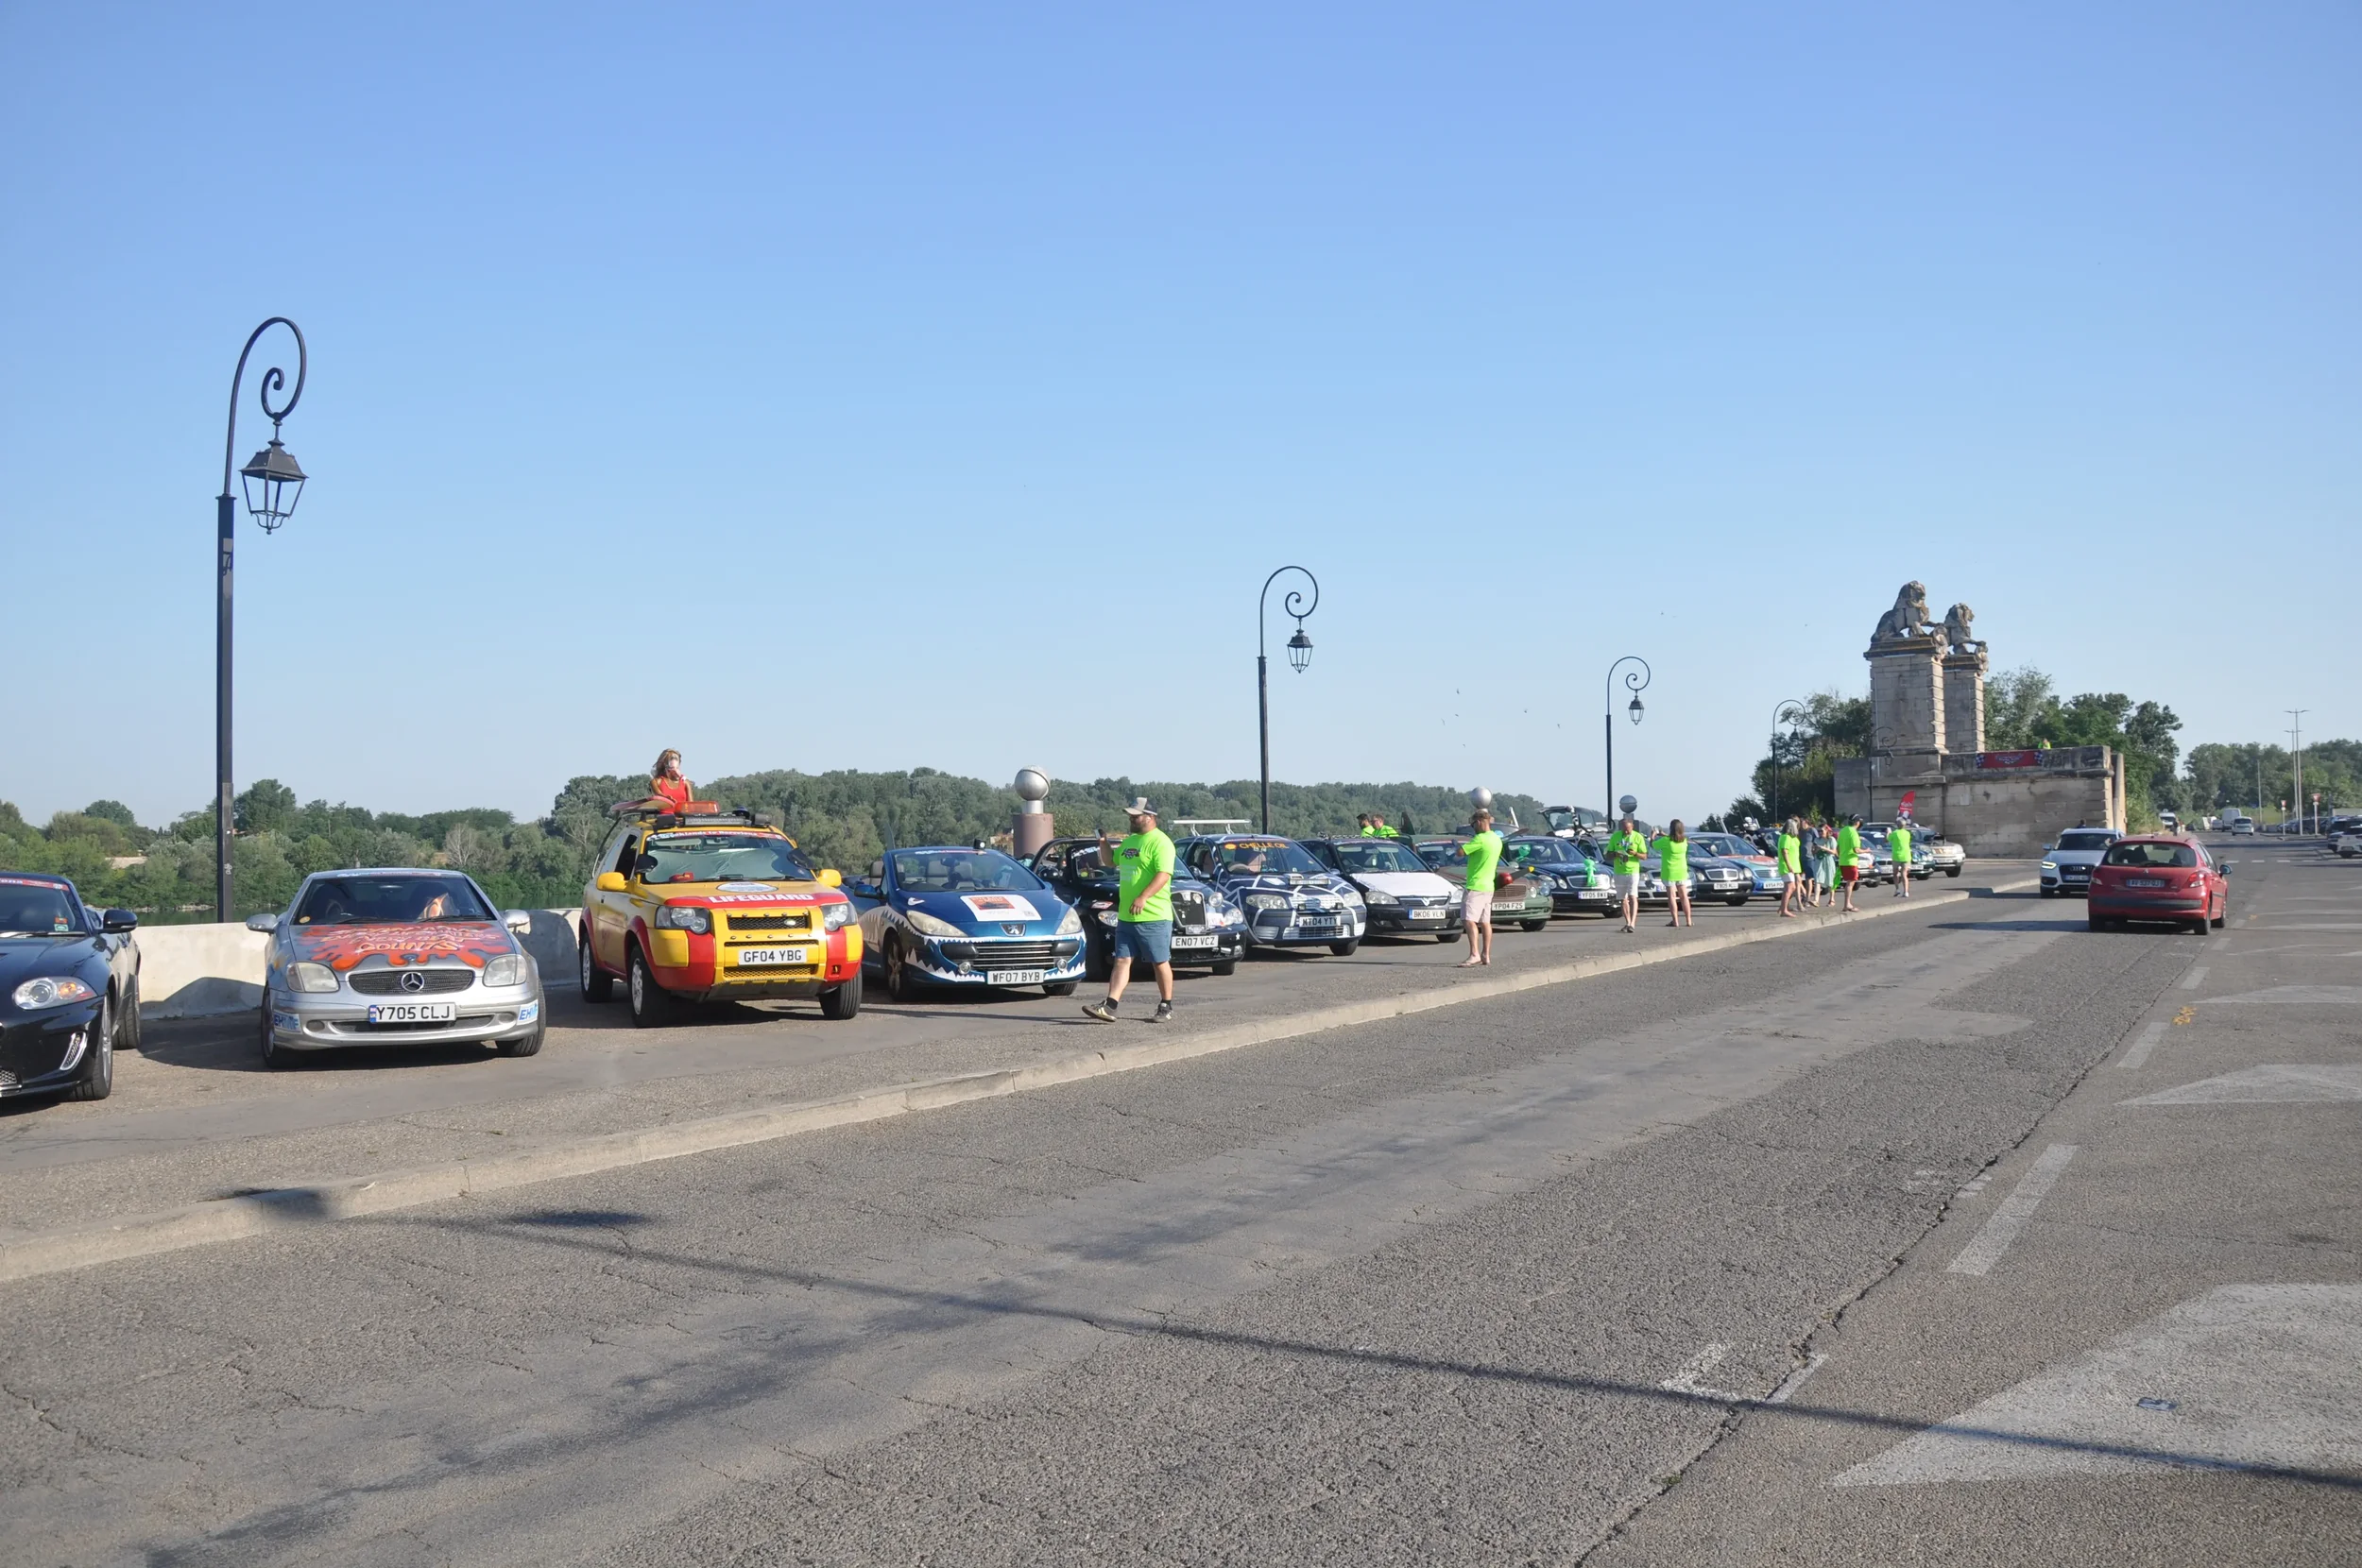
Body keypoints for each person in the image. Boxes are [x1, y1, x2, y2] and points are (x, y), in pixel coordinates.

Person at [1084, 798, 1176, 1024]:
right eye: (1131, 815)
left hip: (1154, 916)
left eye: (1136, 815)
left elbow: (1163, 875)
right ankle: (1110, 1005)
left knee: (1159, 961)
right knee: (1122, 960)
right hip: (1127, 915)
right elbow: (1109, 862)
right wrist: (1103, 842)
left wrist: (1143, 897)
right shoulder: (1130, 842)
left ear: (1150, 817)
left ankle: (1166, 1006)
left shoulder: (1161, 843)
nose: (1132, 819)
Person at [1459, 810, 1506, 965]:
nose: (1473, 828)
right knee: (1485, 921)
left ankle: (1474, 954)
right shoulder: (1496, 839)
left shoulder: (1479, 839)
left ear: (1479, 822)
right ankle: (1486, 954)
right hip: (1489, 886)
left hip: (1475, 885)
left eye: (1473, 825)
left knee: (1468, 919)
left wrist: (1460, 845)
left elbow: (1460, 852)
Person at [1607, 813, 1649, 933]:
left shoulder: (1637, 837)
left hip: (1633, 871)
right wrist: (1616, 854)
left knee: (1632, 896)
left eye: (1628, 829)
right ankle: (1628, 922)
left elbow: (1645, 856)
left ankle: (1633, 923)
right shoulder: (1615, 837)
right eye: (1624, 829)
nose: (1626, 831)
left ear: (1632, 827)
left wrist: (1635, 853)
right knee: (1623, 899)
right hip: (1619, 871)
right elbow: (1608, 854)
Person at [619, 749, 694, 813]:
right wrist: (666, 797)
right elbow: (658, 795)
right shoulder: (656, 781)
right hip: (665, 821)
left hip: (683, 821)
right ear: (664, 765)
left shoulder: (685, 782)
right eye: (671, 766)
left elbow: (691, 805)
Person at [1652, 819, 1694, 929]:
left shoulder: (1666, 841)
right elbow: (1675, 838)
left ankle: (1675, 920)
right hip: (1681, 870)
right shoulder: (1684, 841)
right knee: (1683, 896)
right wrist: (1664, 835)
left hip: (1669, 871)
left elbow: (1654, 845)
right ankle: (1688, 920)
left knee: (1672, 896)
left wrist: (1654, 835)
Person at [1777, 817, 1805, 917]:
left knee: (1788, 887)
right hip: (1786, 866)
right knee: (1791, 887)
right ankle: (1784, 909)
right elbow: (1784, 851)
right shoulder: (1785, 837)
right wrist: (1789, 865)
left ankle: (1782, 907)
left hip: (1793, 866)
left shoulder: (1792, 838)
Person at [1836, 814, 1863, 912]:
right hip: (1851, 861)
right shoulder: (1853, 832)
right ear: (1857, 822)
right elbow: (1856, 850)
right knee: (1850, 883)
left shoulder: (1842, 831)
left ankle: (1847, 904)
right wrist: (1867, 851)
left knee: (1848, 882)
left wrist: (1840, 856)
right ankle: (1847, 904)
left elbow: (1838, 848)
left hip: (1843, 861)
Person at [1890, 818, 1915, 898]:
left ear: (1897, 825)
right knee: (1904, 874)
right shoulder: (1907, 833)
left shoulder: (1894, 833)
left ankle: (1897, 889)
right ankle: (1906, 892)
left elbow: (1887, 839)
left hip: (1897, 856)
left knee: (1895, 873)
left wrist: (1888, 833)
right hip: (1906, 856)